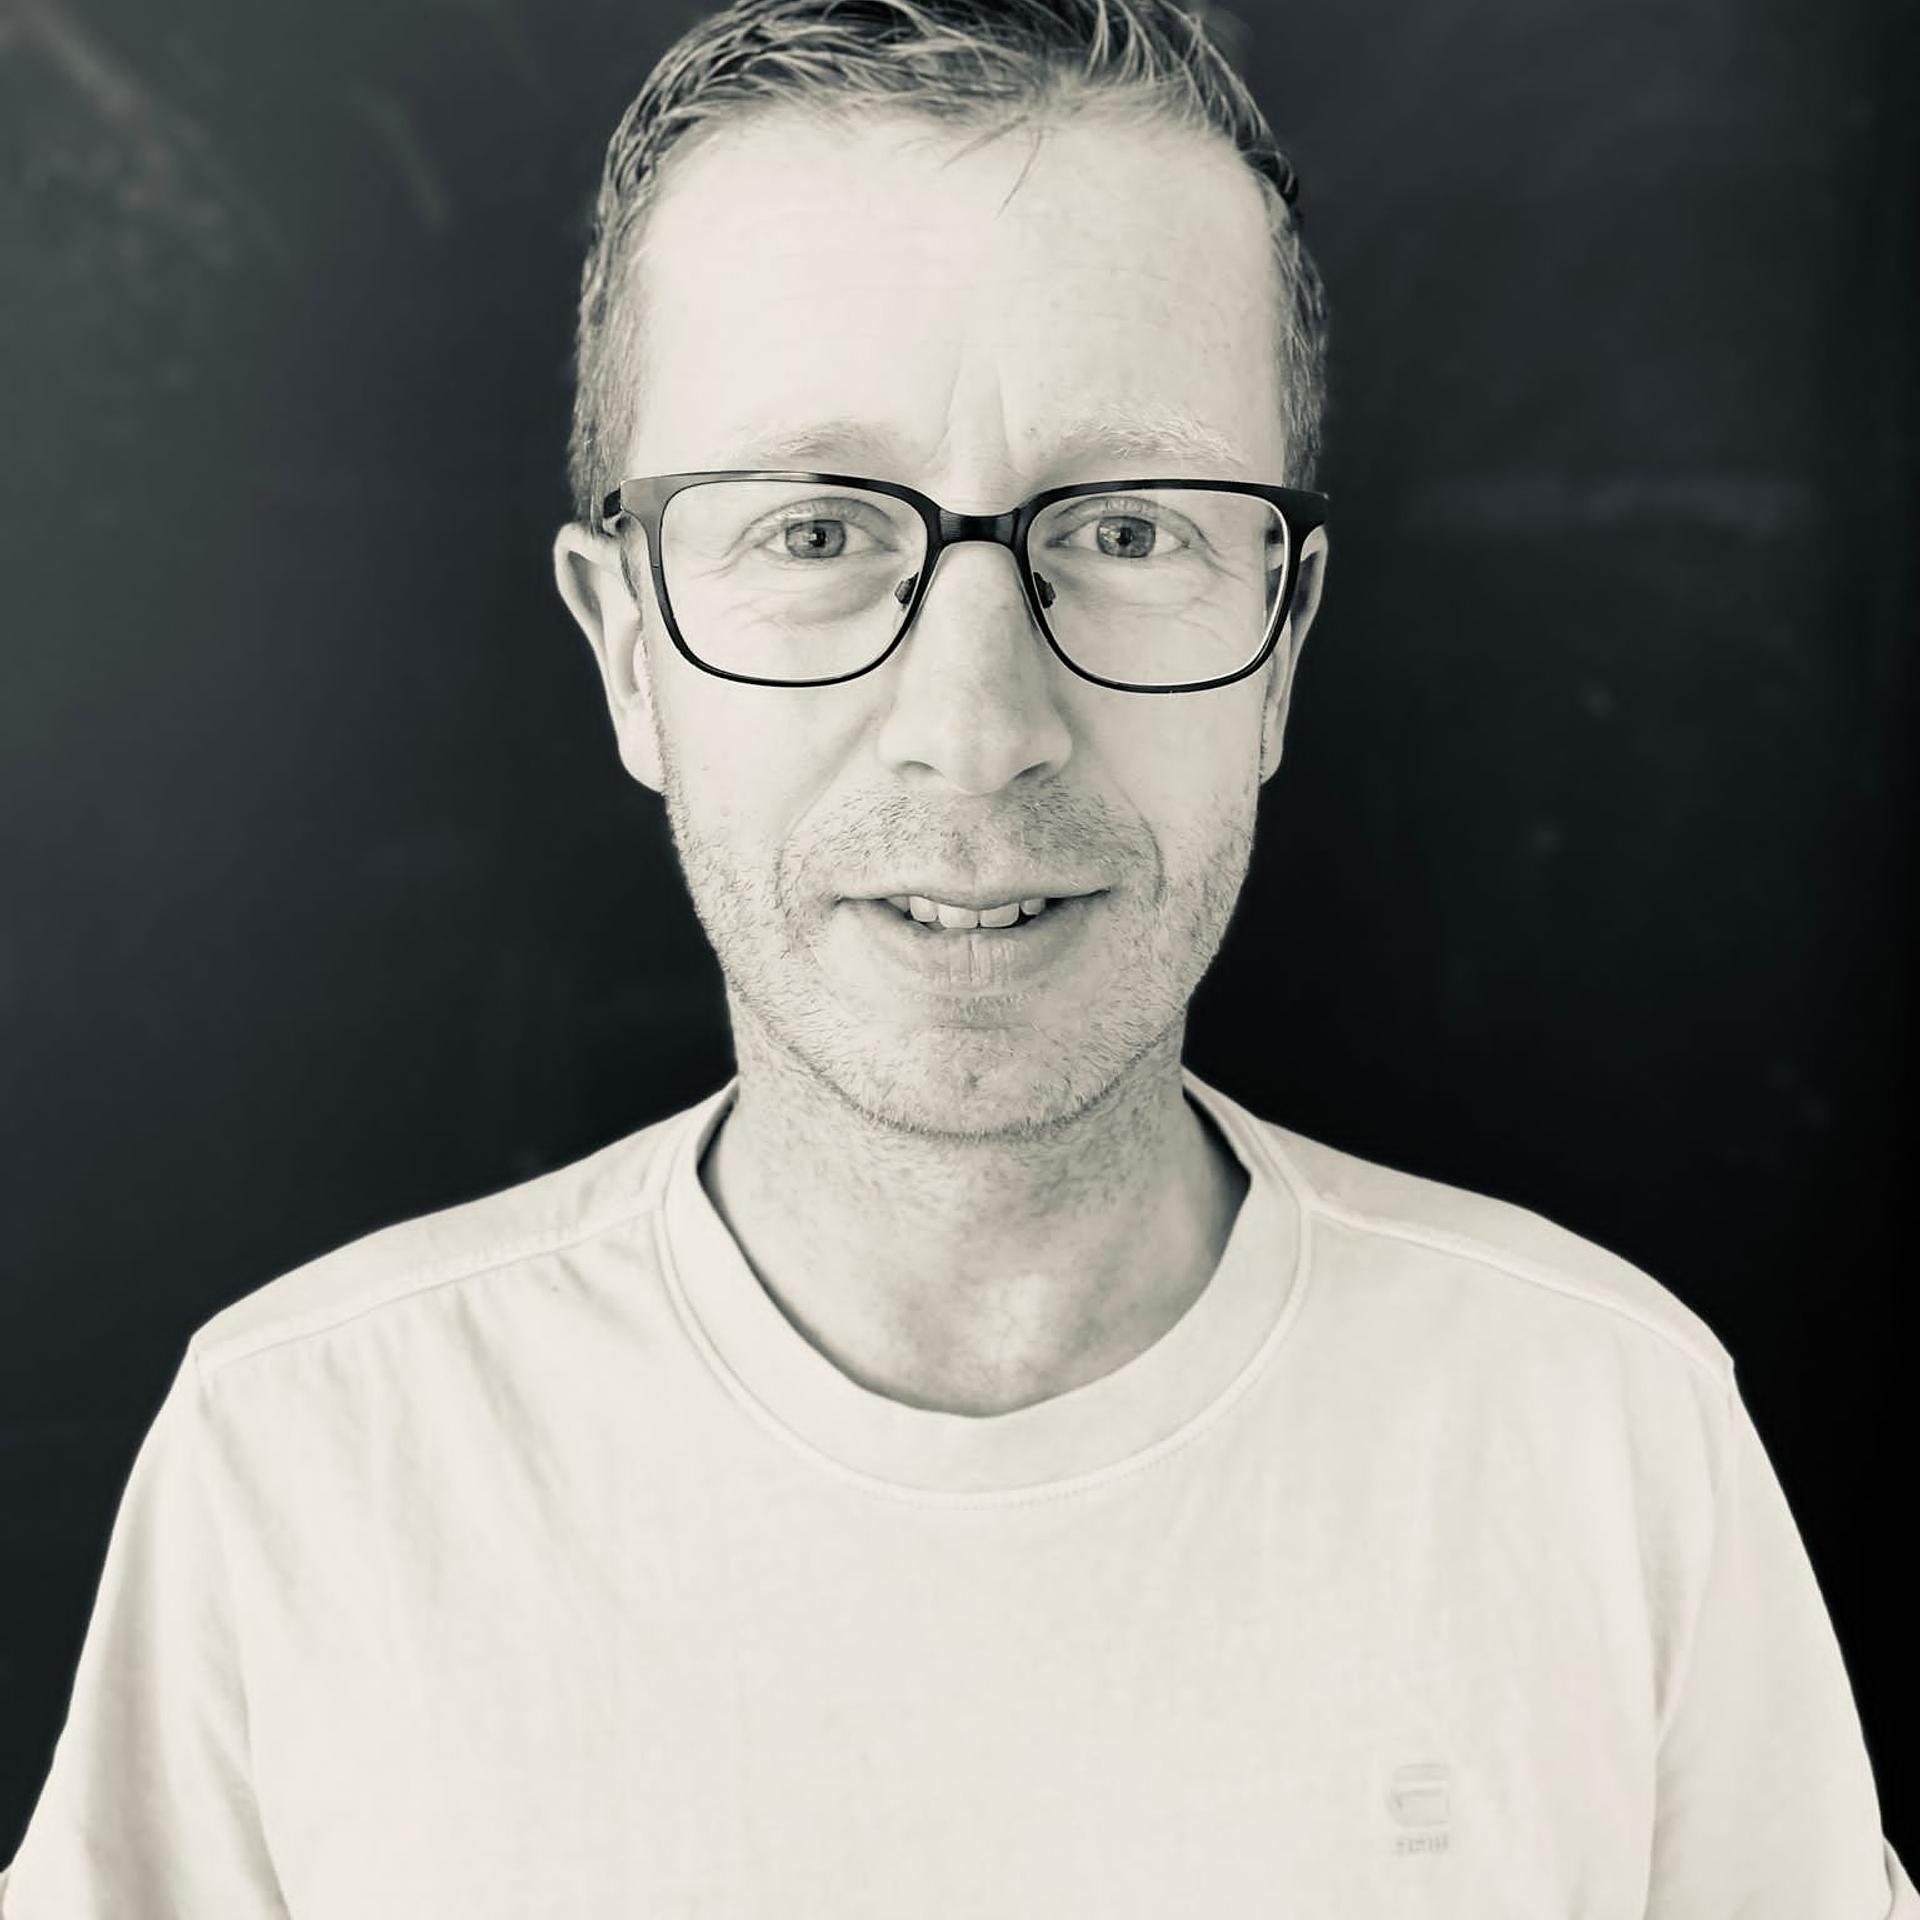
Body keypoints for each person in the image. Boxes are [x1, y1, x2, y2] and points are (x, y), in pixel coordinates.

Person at [2, 0, 1909, 1912]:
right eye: (814, 530)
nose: (977, 726)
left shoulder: (1606, 1440)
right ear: (630, 654)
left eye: (1133, 529)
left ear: (1282, 644)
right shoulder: (304, 1466)